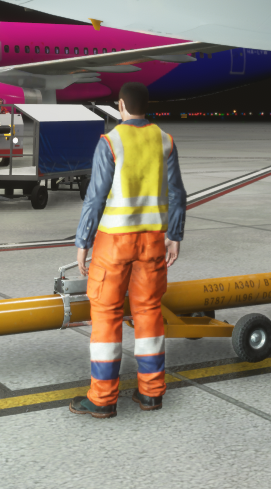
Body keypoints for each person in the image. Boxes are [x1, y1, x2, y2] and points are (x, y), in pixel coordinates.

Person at [70, 82, 187, 418]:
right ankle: (151, 393)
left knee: (106, 315)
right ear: (146, 106)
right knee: (148, 312)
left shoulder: (111, 141)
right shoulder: (165, 140)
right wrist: (174, 235)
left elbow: (95, 197)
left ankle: (103, 399)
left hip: (114, 242)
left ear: (120, 105)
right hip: (152, 240)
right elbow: (177, 193)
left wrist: (83, 241)